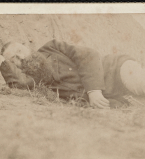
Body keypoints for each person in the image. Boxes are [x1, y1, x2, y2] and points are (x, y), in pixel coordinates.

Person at [0, 39, 144, 108]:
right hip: (118, 96)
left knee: (139, 83)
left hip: (115, 70)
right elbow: (17, 83)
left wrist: (93, 90)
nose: (22, 57)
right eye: (14, 59)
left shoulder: (51, 47)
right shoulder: (33, 81)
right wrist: (2, 62)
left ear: (26, 46)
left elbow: (88, 54)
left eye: (19, 51)